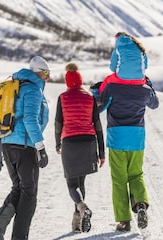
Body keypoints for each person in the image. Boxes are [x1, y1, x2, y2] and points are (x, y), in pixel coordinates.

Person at [98, 32, 159, 232]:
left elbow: (99, 107)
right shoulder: (143, 89)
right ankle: (141, 204)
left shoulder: (112, 87)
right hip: (137, 138)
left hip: (116, 138)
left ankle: (124, 220)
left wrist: (96, 92)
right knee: (136, 174)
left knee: (119, 180)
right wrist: (148, 85)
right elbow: (155, 104)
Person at [0, 56, 50, 240]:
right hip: (24, 146)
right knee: (29, 194)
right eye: (45, 73)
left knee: (19, 188)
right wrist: (41, 147)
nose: (47, 77)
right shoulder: (32, 89)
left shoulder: (15, 86)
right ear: (38, 72)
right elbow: (30, 120)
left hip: (7, 144)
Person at [54, 63, 105, 233]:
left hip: (70, 142)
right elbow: (98, 126)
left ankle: (82, 208)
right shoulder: (90, 97)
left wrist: (57, 143)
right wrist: (102, 152)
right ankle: (77, 221)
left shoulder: (62, 98)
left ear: (67, 81)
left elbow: (58, 123)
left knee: (71, 184)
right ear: (81, 80)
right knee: (81, 181)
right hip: (88, 142)